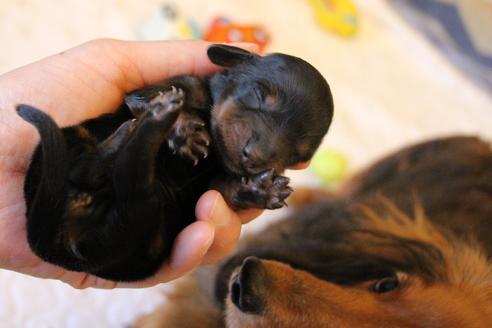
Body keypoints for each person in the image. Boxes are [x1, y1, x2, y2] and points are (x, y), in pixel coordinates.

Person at [0, 39, 308, 289]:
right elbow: (138, 99)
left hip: (125, 237)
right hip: (73, 185)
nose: (258, 148)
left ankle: (134, 145)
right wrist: (179, 120)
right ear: (234, 67)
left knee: (171, 214)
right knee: (74, 143)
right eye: (257, 97)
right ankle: (136, 143)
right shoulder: (193, 90)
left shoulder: (236, 167)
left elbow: (219, 192)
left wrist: (247, 192)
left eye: (289, 148)